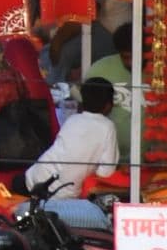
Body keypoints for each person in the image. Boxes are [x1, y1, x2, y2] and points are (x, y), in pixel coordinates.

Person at [22, 78, 123, 228]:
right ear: (109, 105)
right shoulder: (107, 127)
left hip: (34, 178)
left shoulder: (73, 119)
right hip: (61, 196)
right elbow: (106, 172)